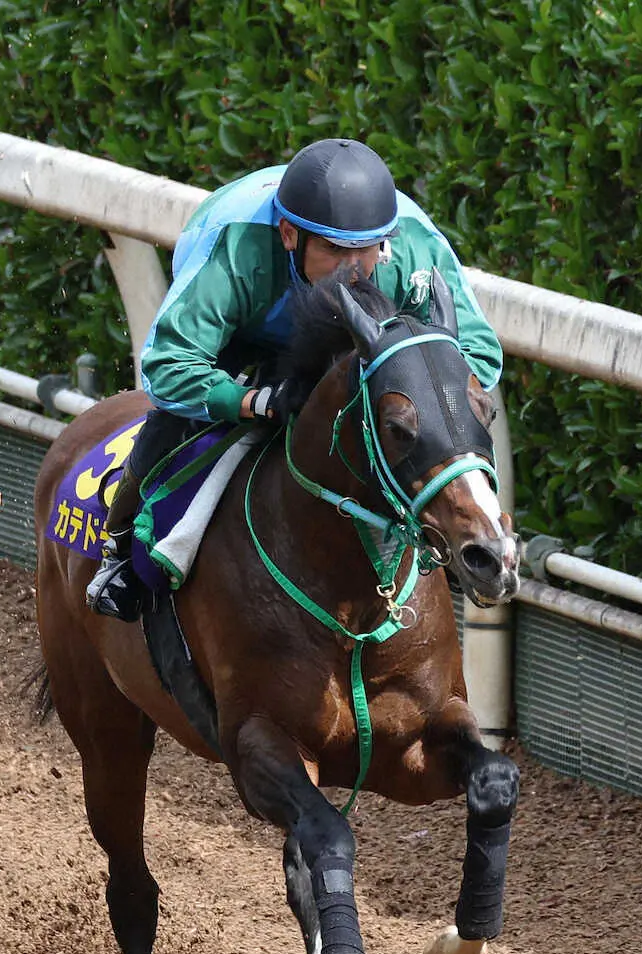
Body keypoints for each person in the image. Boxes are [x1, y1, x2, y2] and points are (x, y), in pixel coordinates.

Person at [86, 138, 503, 621]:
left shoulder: (413, 251)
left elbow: (476, 354)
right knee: (172, 423)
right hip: (252, 327)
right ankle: (118, 551)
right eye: (332, 250)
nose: (352, 267)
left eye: (366, 250)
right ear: (288, 234)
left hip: (365, 342)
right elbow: (167, 366)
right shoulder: (237, 248)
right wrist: (254, 401)